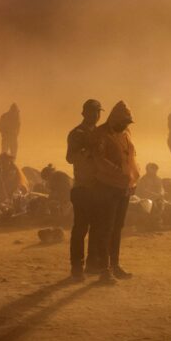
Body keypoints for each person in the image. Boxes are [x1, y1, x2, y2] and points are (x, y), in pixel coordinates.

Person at [89, 100, 140, 284]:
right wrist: (120, 174)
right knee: (106, 228)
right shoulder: (101, 134)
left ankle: (115, 265)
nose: (126, 125)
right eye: (124, 121)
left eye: (128, 122)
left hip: (123, 188)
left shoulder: (125, 134)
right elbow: (99, 160)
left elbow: (131, 157)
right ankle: (105, 269)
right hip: (107, 187)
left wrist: (133, 178)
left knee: (117, 228)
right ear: (115, 119)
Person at [66, 99, 102, 280]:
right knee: (80, 228)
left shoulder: (100, 133)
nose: (95, 116)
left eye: (98, 113)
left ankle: (92, 263)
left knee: (96, 227)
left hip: (98, 188)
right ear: (84, 113)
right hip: (82, 187)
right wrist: (86, 152)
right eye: (92, 112)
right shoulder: (76, 134)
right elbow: (70, 158)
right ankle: (77, 267)